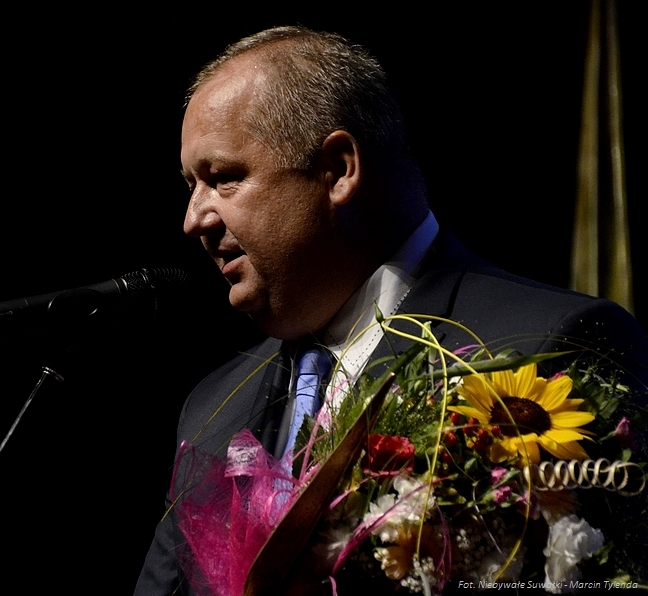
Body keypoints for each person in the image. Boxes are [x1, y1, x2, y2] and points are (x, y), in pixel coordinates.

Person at [136, 26, 646, 596]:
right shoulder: (210, 413)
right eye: (191, 185)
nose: (193, 219)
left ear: (337, 169)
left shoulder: (547, 343)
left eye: (223, 178)